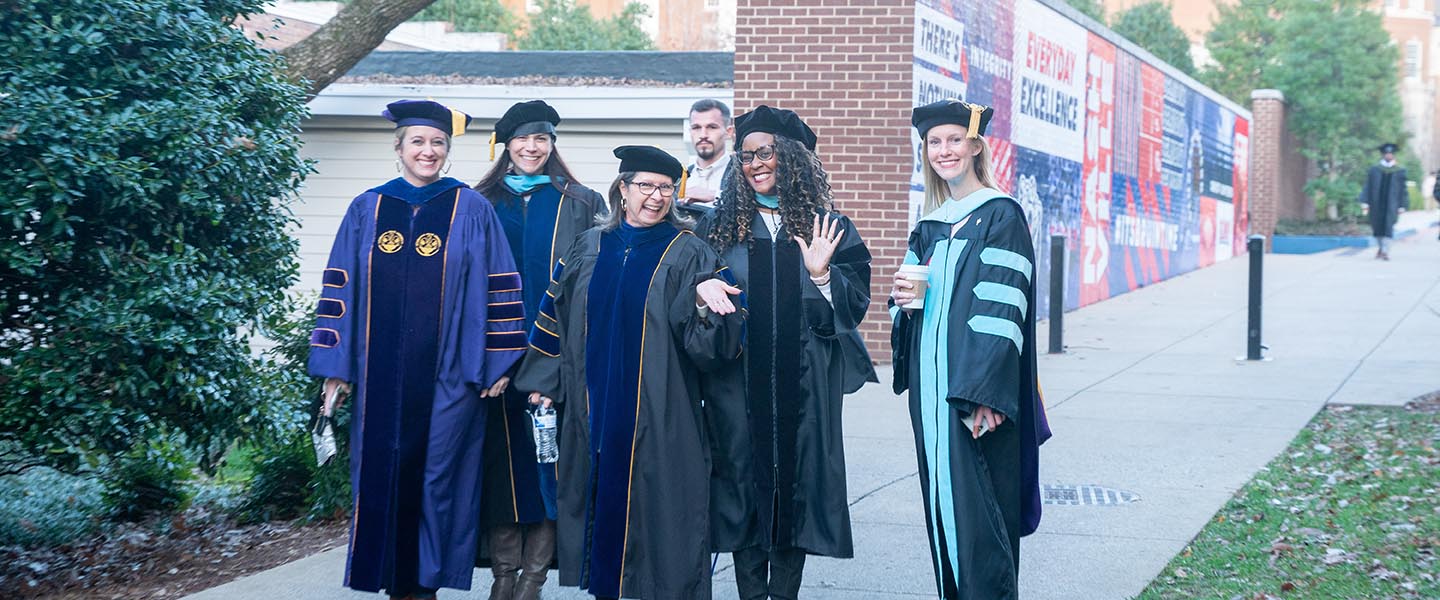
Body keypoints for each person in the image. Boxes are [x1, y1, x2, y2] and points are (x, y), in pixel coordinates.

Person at [307, 99, 526, 599]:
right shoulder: (368, 208)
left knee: (438, 477)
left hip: (450, 378)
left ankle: (423, 584)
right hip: (379, 377)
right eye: (418, 142)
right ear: (399, 148)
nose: (428, 152)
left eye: (438, 143)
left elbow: (502, 285)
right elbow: (340, 289)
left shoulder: (470, 208)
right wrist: (336, 369)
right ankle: (389, 579)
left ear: (448, 151)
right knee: (380, 472)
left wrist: (499, 362)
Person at [513, 145, 747, 599]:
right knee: (602, 518)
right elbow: (552, 316)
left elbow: (716, 350)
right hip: (593, 413)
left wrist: (705, 303)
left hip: (661, 417)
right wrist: (543, 381)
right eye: (645, 186)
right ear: (622, 189)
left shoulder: (691, 253)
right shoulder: (587, 247)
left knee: (664, 527)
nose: (657, 197)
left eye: (665, 188)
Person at [696, 105, 877, 600]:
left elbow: (853, 306)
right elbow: (689, 291)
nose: (754, 163)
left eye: (766, 153)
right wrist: (701, 289)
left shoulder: (827, 227)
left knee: (796, 486)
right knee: (741, 487)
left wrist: (822, 276)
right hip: (738, 388)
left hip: (804, 386)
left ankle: (785, 594)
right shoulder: (718, 227)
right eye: (747, 155)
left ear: (792, 158)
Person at [889, 99, 1052, 600]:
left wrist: (984, 394)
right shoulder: (931, 225)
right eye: (935, 143)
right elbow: (912, 310)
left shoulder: (1001, 216)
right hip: (932, 398)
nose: (944, 151)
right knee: (943, 511)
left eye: (955, 139)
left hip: (972, 398)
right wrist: (903, 303)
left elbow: (1003, 313)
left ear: (976, 145)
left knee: (982, 516)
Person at [471, 99, 605, 600]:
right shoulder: (478, 201)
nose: (532, 147)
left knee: (552, 472)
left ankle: (533, 580)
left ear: (552, 144)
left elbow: (594, 287)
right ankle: (503, 580)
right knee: (503, 470)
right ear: (506, 145)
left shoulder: (583, 203)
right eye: (523, 138)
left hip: (559, 363)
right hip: (494, 362)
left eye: (541, 138)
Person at [676, 98, 734, 217]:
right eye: (696, 127)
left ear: (729, 132)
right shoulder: (679, 178)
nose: (703, 135)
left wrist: (715, 195)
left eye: (712, 127)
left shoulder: (742, 172)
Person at [1361, 143, 1407, 260]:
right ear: (1383, 155)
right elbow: (1368, 186)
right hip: (1376, 203)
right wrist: (1365, 202)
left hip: (1392, 204)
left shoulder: (1399, 171)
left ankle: (1385, 251)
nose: (1389, 155)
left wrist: (1402, 205)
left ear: (1393, 155)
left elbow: (1403, 190)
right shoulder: (1374, 170)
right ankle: (1381, 247)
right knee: (1377, 227)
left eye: (1391, 153)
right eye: (1386, 153)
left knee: (1388, 227)